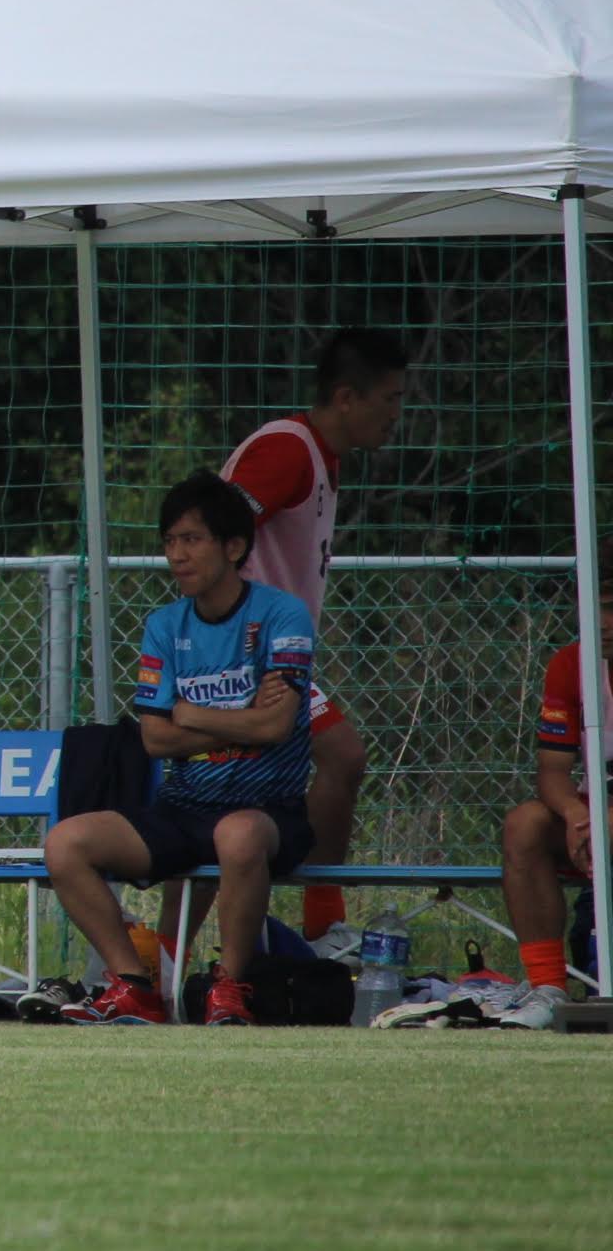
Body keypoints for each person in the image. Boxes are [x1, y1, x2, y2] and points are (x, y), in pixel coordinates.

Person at [47, 473, 317, 1027]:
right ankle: (133, 986)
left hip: (268, 811)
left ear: (233, 547)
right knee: (65, 842)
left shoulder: (283, 615)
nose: (176, 555)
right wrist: (242, 719)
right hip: (183, 806)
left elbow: (277, 726)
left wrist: (191, 714)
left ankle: (230, 986)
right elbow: (155, 738)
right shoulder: (164, 625)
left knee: (237, 834)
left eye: (191, 539)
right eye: (169, 541)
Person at [220, 328, 409, 941]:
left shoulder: (321, 457)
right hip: (251, 656)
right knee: (342, 755)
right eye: (390, 398)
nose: (396, 414)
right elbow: (213, 532)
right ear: (347, 397)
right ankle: (323, 928)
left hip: (275, 656)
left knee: (227, 806)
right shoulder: (286, 450)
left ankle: (176, 956)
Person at [498, 603, 603, 1032]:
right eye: (599, 608)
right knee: (525, 824)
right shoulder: (571, 663)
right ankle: (548, 987)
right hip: (596, 807)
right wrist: (576, 813)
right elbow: (552, 770)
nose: (604, 622)